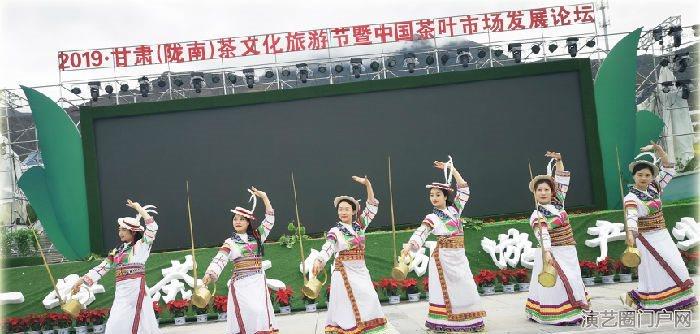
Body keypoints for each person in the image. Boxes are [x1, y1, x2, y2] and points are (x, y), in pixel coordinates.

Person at [402, 159, 486, 332]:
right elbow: (422, 232)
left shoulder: (455, 210)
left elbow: (464, 189)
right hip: (444, 259)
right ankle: (445, 323)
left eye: (437, 195)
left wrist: (453, 170)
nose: (434, 198)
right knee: (445, 290)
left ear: (445, 196)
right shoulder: (432, 217)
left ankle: (469, 321)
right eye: (431, 195)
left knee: (466, 286)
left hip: (459, 257)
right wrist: (410, 246)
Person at [621, 142, 697, 310]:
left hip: (662, 234)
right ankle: (651, 298)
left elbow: (669, 169)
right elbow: (631, 217)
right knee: (657, 270)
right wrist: (631, 235)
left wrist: (659, 150)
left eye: (647, 175)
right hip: (647, 239)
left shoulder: (655, 187)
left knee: (677, 264)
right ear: (634, 176)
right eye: (640, 174)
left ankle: (684, 300)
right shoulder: (630, 198)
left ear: (651, 177)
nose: (643, 178)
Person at [72, 199, 161, 334]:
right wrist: (81, 280)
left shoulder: (142, 246)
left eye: (124, 229)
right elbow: (103, 267)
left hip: (136, 291)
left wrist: (139, 209)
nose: (120, 232)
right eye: (120, 229)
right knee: (114, 324)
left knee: (139, 324)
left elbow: (153, 227)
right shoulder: (117, 251)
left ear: (133, 232)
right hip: (121, 293)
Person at [202, 187, 278, 334]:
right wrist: (210, 273)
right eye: (235, 219)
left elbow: (270, 219)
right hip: (241, 285)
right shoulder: (230, 242)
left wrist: (265, 198)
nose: (237, 221)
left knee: (261, 312)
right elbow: (220, 258)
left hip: (258, 282)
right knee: (249, 313)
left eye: (242, 219)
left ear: (248, 222)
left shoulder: (258, 236)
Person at [525, 152, 589, 325]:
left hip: (568, 250)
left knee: (574, 278)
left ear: (552, 191)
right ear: (535, 193)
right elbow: (543, 234)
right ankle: (557, 312)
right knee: (556, 283)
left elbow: (562, 180)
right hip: (551, 252)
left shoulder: (558, 204)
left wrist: (559, 161)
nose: (543, 192)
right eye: (540, 190)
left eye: (547, 189)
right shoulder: (536, 215)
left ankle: (575, 307)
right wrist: (547, 252)